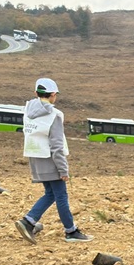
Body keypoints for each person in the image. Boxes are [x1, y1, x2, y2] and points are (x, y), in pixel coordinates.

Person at [13, 78, 91, 243]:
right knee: (61, 195)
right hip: (50, 159)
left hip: (35, 157)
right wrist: (63, 169)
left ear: (36, 93)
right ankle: (71, 231)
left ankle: (29, 221)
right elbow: (56, 146)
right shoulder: (54, 115)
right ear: (53, 94)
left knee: (51, 193)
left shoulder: (27, 110)